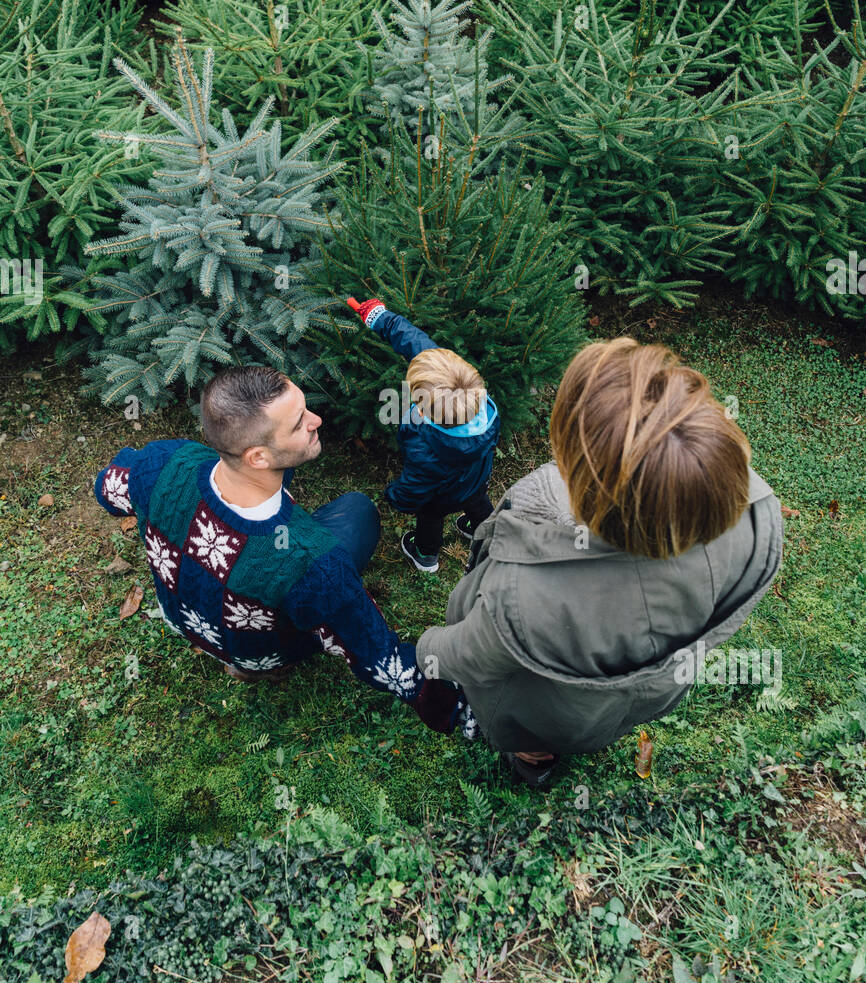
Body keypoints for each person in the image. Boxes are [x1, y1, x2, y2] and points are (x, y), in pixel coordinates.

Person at [416, 337, 784, 787]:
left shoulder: (530, 596)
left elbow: (469, 654)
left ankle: (534, 759)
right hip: (654, 693)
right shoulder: (761, 516)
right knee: (592, 718)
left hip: (555, 713)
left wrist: (425, 649)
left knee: (530, 729)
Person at [93, 366, 477, 739]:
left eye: (305, 409)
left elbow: (106, 488)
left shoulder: (162, 463)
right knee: (358, 513)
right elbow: (379, 658)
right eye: (299, 423)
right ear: (257, 457)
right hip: (255, 653)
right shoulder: (312, 562)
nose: (317, 420)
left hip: (182, 620)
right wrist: (462, 712)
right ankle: (251, 667)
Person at [346, 296, 501, 572]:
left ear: (426, 411)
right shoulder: (478, 403)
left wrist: (393, 495)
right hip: (476, 478)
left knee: (429, 517)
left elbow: (414, 488)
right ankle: (486, 532)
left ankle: (425, 555)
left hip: (440, 497)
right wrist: (382, 318)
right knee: (478, 501)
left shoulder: (424, 447)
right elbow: (418, 345)